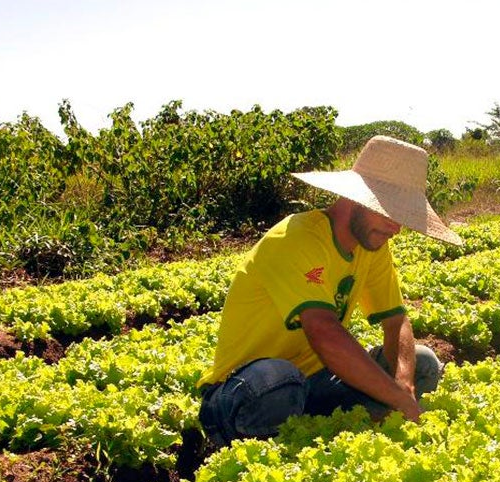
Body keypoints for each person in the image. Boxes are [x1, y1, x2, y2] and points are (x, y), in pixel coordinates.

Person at [197, 135, 463, 447]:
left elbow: (396, 321)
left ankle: (326, 443)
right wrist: (395, 398)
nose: (397, 228)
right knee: (281, 381)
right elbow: (324, 332)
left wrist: (403, 384)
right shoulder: (296, 238)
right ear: (357, 200)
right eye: (389, 213)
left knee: (423, 362)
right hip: (243, 391)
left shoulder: (372, 244)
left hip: (315, 384)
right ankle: (245, 449)